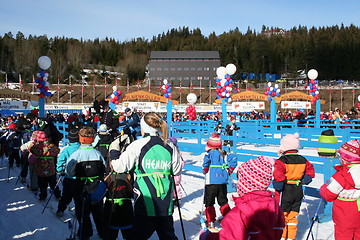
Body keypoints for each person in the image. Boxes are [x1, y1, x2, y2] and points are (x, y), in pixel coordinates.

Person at [111, 112, 182, 240]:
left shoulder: (138, 145)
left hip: (145, 202)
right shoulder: (169, 145)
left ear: (143, 127)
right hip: (165, 203)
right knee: (168, 236)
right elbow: (176, 170)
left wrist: (114, 152)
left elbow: (119, 167)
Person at [216, 156, 285, 240]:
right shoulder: (276, 209)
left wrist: (207, 236)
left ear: (246, 184)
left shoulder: (238, 214)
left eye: (240, 180)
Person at [65, 127, 106, 240]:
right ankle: (102, 232)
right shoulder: (97, 154)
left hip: (80, 187)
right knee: (98, 211)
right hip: (96, 186)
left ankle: (85, 233)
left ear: (80, 139)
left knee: (82, 212)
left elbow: (69, 171)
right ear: (92, 139)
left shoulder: (76, 155)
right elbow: (104, 168)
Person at [272, 132, 315, 240]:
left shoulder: (282, 161)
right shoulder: (303, 160)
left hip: (286, 190)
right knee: (293, 215)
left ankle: (282, 236)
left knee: (283, 215)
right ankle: (291, 237)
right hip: (298, 189)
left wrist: (278, 184)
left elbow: (278, 174)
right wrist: (306, 179)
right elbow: (310, 171)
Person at [320, 139, 360, 240]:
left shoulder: (342, 176)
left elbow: (329, 195)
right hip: (358, 210)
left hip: (344, 212)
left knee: (343, 235)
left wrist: (323, 188)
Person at [202, 133, 237, 228]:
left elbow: (205, 164)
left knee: (209, 201)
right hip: (222, 181)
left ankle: (210, 220)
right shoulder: (224, 154)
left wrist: (205, 169)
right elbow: (234, 159)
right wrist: (229, 170)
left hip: (211, 181)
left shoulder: (208, 154)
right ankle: (228, 218)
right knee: (223, 200)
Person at [56, 129, 81, 217]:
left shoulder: (66, 150)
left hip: (69, 177)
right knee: (79, 198)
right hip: (81, 178)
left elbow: (60, 162)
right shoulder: (82, 149)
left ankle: (60, 210)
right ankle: (79, 212)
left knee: (66, 196)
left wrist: (60, 170)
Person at [29, 130, 61, 201]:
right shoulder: (51, 146)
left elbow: (30, 149)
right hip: (50, 169)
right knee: (53, 183)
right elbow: (57, 150)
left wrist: (34, 142)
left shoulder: (37, 147)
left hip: (40, 170)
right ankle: (57, 195)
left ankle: (43, 196)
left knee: (42, 184)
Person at [169, 136, 185, 206]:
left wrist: (177, 168)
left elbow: (182, 163)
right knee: (172, 186)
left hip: (176, 174)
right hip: (173, 173)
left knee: (176, 186)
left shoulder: (176, 153)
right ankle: (173, 198)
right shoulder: (175, 152)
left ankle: (177, 199)